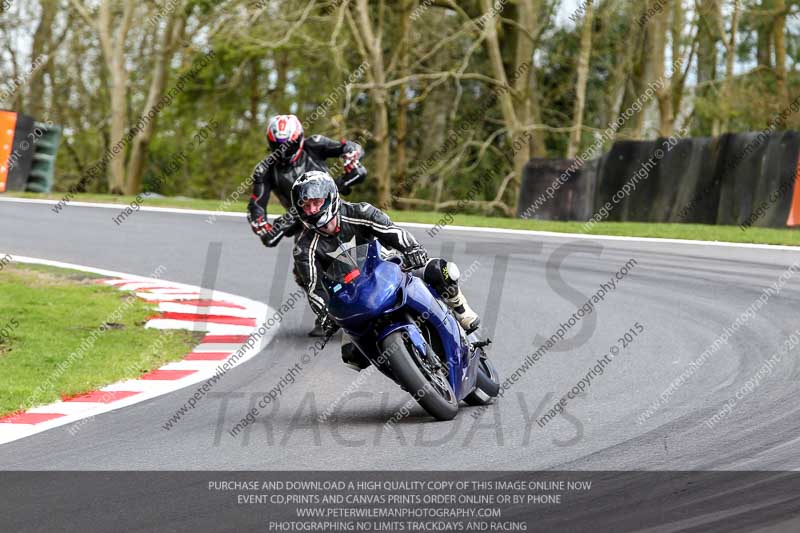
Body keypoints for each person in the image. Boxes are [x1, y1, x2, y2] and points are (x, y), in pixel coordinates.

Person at [290, 170, 481, 370]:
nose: (312, 210)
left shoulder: (360, 212)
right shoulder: (304, 248)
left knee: (441, 270)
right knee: (352, 356)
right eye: (306, 206)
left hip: (392, 270)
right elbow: (314, 288)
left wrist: (412, 249)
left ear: (330, 197)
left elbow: (393, 231)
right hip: (355, 299)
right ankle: (406, 373)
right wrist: (325, 315)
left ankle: (460, 309)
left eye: (317, 202)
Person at [247, 114, 366, 335]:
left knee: (370, 230)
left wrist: (352, 156)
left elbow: (350, 146)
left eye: (288, 145)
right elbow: (256, 205)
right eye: (277, 146)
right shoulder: (265, 170)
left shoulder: (315, 144)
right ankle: (327, 313)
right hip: (302, 221)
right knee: (302, 270)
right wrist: (261, 224)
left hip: (335, 208)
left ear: (300, 139)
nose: (283, 151)